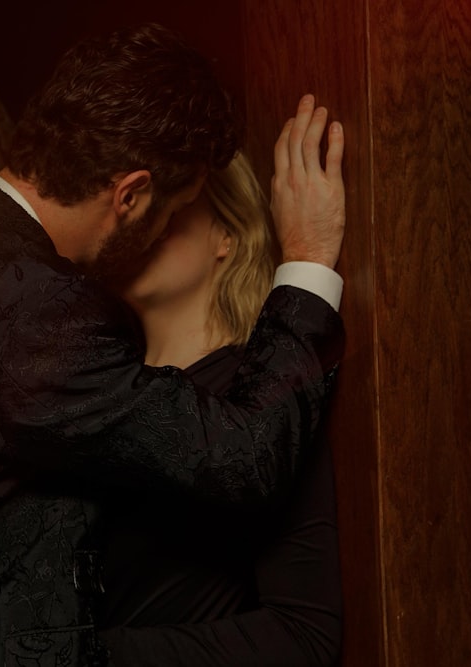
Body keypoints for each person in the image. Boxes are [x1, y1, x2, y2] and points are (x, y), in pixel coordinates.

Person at [0, 23, 346, 665]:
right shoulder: (43, 311)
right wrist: (307, 259)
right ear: (130, 195)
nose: (159, 231)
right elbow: (246, 455)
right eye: (166, 211)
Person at [97, 152, 342, 665]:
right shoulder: (96, 389)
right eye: (134, 199)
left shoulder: (261, 400)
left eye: (173, 200)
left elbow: (305, 632)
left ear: (226, 235)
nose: (144, 217)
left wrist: (86, 656)